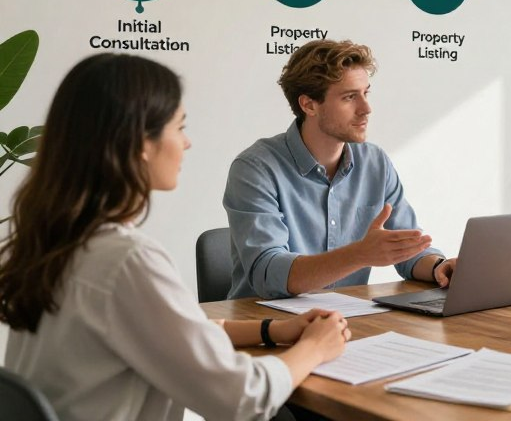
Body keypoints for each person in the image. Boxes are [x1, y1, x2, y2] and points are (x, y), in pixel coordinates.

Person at [0, 54, 350, 421]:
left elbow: (179, 335)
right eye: (179, 127)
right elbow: (242, 398)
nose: (186, 144)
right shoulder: (124, 260)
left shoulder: (58, 241)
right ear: (140, 143)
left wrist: (274, 330)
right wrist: (314, 347)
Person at [224, 39, 454, 299]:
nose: (366, 109)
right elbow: (268, 274)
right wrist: (360, 253)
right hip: (263, 326)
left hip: (346, 321)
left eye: (366, 93)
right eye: (349, 97)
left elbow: (408, 251)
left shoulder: (375, 162)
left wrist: (438, 267)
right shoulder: (256, 168)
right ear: (309, 104)